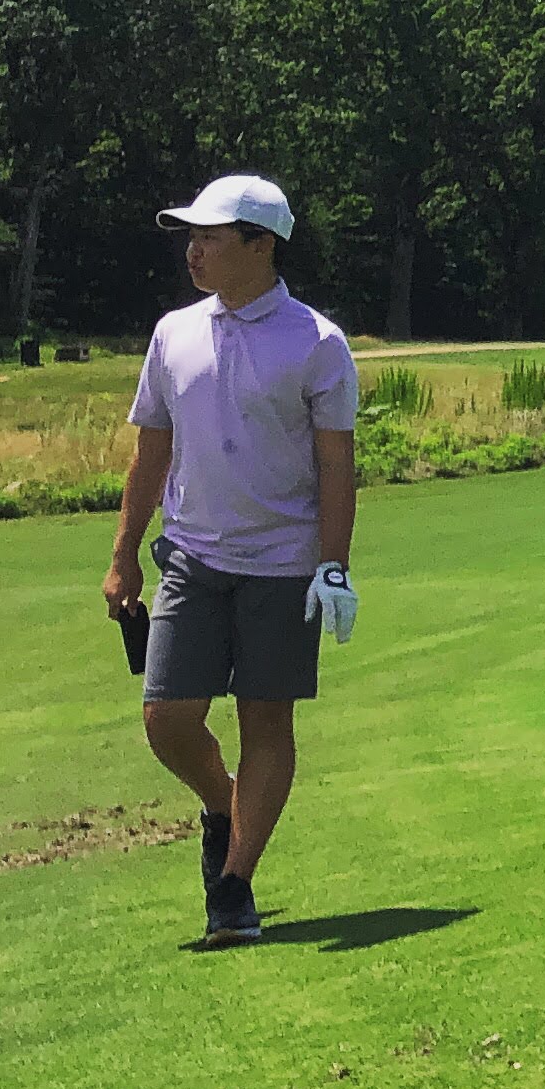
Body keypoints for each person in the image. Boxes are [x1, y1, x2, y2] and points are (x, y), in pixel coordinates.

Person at [105, 175, 360, 947]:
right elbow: (151, 449)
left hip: (282, 562)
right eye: (193, 236)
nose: (196, 249)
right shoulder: (173, 334)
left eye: (212, 237)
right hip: (192, 555)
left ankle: (235, 883)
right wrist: (123, 556)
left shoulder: (316, 343)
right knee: (167, 719)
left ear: (262, 245)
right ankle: (223, 804)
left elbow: (335, 467)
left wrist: (334, 565)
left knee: (265, 721)